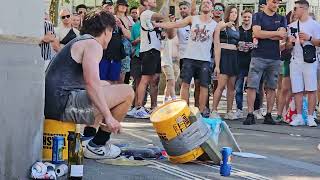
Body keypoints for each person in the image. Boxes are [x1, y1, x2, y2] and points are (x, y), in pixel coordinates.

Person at [45, 9, 134, 159]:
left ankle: (88, 138)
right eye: (112, 32)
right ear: (107, 30)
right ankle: (97, 145)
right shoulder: (93, 45)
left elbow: (94, 84)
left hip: (55, 103)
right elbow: (91, 83)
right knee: (127, 92)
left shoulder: (82, 40)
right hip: (62, 105)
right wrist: (109, 117)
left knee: (105, 84)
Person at [154, 0, 217, 116]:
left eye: (209, 2)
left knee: (203, 86)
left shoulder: (215, 24)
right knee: (185, 84)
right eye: (204, 2)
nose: (206, 4)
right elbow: (174, 26)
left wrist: (217, 65)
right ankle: (184, 111)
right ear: (200, 6)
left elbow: (217, 45)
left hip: (204, 60)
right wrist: (159, 24)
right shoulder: (192, 19)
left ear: (212, 7)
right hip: (188, 58)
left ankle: (201, 112)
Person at [243, 0, 287, 125]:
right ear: (267, 1)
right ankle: (250, 113)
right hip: (258, 56)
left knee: (272, 87)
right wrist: (275, 33)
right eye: (274, 2)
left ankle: (268, 114)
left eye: (278, 3)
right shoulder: (258, 16)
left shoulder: (282, 18)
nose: (276, 5)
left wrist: (265, 34)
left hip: (275, 57)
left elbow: (282, 35)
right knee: (252, 86)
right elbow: (256, 33)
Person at [286, 0, 320, 127]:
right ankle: (299, 116)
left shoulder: (315, 25)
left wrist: (309, 38)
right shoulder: (292, 26)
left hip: (310, 61)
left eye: (296, 8)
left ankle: (310, 117)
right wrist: (291, 42)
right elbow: (288, 47)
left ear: (304, 9)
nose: (294, 11)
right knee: (297, 89)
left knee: (311, 89)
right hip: (295, 60)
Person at [133, 0, 165, 118]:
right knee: (145, 79)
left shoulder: (150, 16)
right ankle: (139, 108)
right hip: (148, 51)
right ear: (145, 2)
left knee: (155, 80)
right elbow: (162, 16)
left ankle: (153, 107)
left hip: (155, 51)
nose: (155, 1)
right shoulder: (145, 13)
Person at [211, 6, 240, 119]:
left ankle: (229, 111)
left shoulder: (236, 28)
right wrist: (217, 65)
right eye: (232, 12)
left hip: (234, 56)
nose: (234, 14)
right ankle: (214, 110)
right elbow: (216, 41)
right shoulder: (222, 24)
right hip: (224, 55)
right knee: (221, 85)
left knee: (232, 87)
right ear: (227, 13)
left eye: (236, 12)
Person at [275, 11, 298, 122]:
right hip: (286, 60)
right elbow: (281, 46)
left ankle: (289, 113)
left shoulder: (304, 28)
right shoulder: (287, 29)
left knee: (295, 90)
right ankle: (280, 114)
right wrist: (290, 42)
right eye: (293, 16)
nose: (295, 17)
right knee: (284, 88)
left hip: (301, 61)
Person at [233, 9, 253, 119]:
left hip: (251, 61)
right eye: (244, 17)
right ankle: (239, 109)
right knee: (239, 87)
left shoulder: (254, 30)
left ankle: (254, 110)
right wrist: (238, 45)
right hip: (239, 61)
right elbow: (234, 42)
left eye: (248, 17)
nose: (246, 19)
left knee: (253, 87)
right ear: (241, 17)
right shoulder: (237, 30)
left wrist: (252, 45)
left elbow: (257, 43)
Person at [114, 0, 132, 83]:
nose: (124, 6)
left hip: (127, 51)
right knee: (114, 78)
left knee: (123, 77)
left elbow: (131, 36)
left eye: (125, 5)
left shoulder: (129, 19)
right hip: (115, 50)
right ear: (117, 6)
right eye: (121, 4)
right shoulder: (112, 18)